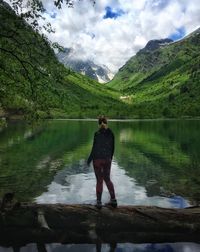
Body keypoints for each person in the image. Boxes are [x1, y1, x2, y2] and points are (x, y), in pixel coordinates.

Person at [87, 116, 117, 209]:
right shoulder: (111, 133)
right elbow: (112, 148)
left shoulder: (97, 133)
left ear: (98, 124)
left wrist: (89, 159)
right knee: (107, 179)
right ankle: (113, 200)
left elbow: (94, 148)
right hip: (107, 159)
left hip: (97, 160)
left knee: (99, 180)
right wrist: (110, 158)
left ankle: (99, 202)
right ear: (106, 123)